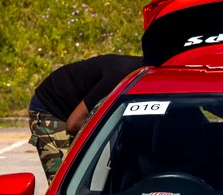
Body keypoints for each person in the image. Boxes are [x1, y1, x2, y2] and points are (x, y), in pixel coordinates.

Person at [29, 53, 145, 181]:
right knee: (66, 180)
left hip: (77, 110)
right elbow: (74, 124)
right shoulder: (120, 76)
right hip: (52, 110)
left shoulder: (143, 73)